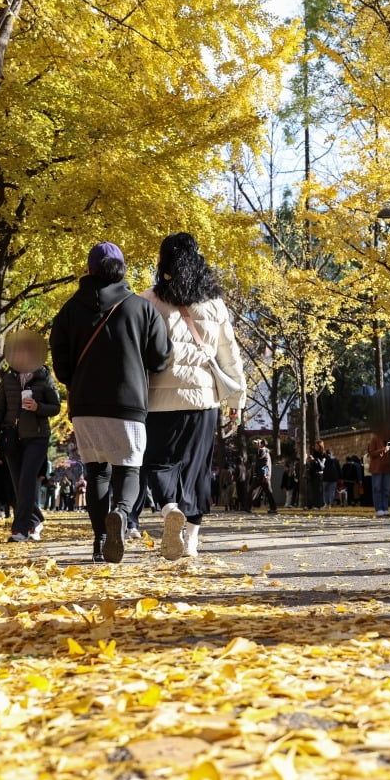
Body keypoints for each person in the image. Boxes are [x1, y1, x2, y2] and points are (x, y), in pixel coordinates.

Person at [50, 241, 173, 563]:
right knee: (129, 468)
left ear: (89, 270)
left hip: (85, 403)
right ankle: (120, 512)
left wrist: (76, 380)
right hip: (128, 402)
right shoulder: (141, 308)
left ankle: (100, 540)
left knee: (97, 472)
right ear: (122, 270)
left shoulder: (69, 310)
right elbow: (160, 357)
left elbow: (60, 364)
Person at [141, 233, 245, 560]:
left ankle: (170, 508)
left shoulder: (147, 302)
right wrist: (236, 402)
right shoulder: (215, 306)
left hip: (158, 401)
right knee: (197, 471)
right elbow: (229, 357)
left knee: (158, 462)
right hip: (204, 402)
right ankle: (192, 542)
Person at [0, 331, 62, 543]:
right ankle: (36, 519)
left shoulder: (44, 376)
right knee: (19, 485)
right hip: (11, 437)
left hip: (37, 437)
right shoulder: (7, 378)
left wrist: (38, 407)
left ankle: (20, 529)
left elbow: (56, 407)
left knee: (27, 481)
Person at [368, 434, 390, 516]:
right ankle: (379, 508)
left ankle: (385, 508)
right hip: (377, 468)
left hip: (387, 467)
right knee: (377, 488)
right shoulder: (375, 438)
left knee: (386, 489)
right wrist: (382, 450)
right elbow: (371, 453)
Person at [250, 440, 277, 513]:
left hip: (261, 476)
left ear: (261, 445)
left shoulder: (262, 452)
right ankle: (273, 508)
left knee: (252, 491)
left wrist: (265, 475)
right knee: (268, 493)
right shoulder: (265, 452)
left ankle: (247, 507)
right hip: (263, 476)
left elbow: (265, 465)